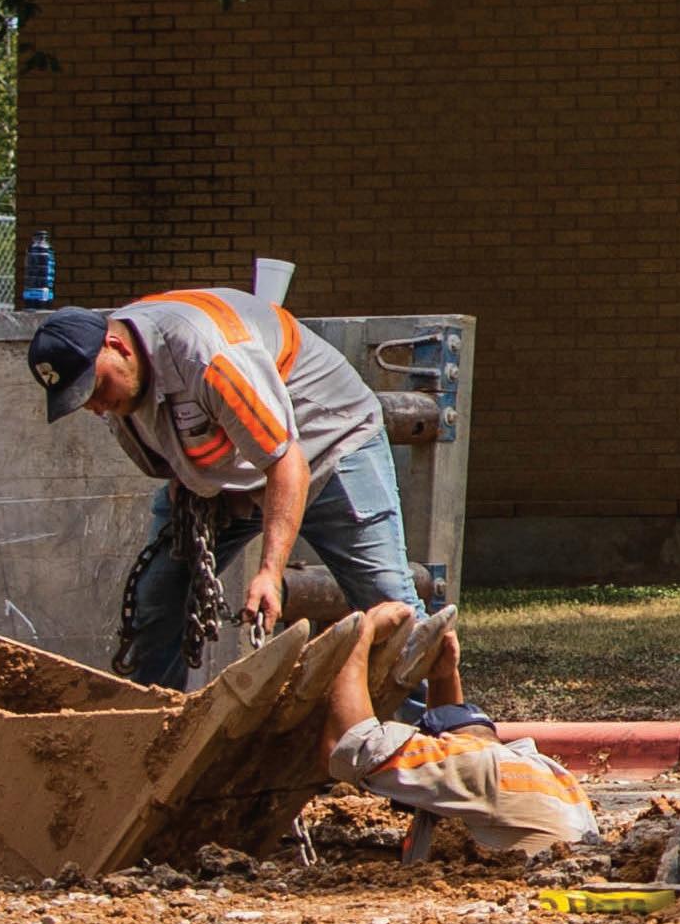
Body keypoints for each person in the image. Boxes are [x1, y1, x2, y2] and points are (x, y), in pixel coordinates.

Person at [30, 287, 419, 688]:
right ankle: (157, 716)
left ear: (117, 346)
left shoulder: (209, 358)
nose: (95, 406)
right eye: (81, 400)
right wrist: (184, 480)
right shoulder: (122, 376)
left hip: (324, 442)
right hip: (234, 465)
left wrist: (270, 572)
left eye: (95, 389)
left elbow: (287, 463)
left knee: (385, 598)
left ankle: (438, 716)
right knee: (159, 597)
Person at [319, 603, 597, 858]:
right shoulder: (552, 775)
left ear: (448, 743)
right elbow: (462, 753)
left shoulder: (475, 767)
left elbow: (349, 745)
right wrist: (444, 676)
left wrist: (359, 637)